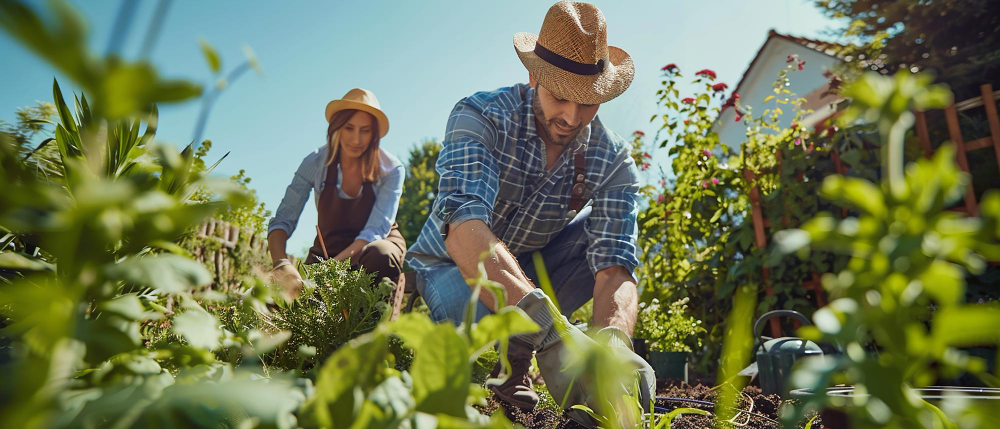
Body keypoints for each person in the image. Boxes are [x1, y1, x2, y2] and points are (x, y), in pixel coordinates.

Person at [404, 1, 654, 422]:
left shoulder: (611, 159)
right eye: (560, 96)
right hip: (450, 261)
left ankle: (527, 342)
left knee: (598, 242)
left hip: (530, 260)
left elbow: (615, 265)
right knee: (480, 348)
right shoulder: (481, 116)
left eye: (587, 102)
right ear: (534, 76)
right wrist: (549, 330)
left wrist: (613, 346)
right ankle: (513, 347)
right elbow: (465, 226)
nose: (571, 117)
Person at [267, 88, 405, 297]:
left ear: (374, 134)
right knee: (289, 301)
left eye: (365, 130)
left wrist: (327, 273)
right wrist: (281, 264)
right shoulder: (314, 163)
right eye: (349, 128)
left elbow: (374, 232)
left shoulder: (391, 169)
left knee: (380, 254)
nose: (356, 140)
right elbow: (283, 219)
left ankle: (376, 316)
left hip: (372, 248)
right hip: (328, 250)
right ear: (336, 127)